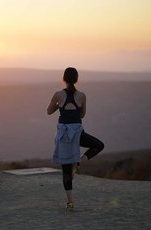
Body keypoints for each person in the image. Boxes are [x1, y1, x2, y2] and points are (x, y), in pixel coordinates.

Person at [47, 67, 104, 210]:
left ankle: (70, 202)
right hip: (78, 134)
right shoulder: (82, 95)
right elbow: (82, 115)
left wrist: (60, 106)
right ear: (77, 79)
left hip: (64, 136)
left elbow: (49, 111)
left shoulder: (58, 94)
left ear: (64, 79)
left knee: (66, 170)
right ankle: (79, 161)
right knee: (98, 145)